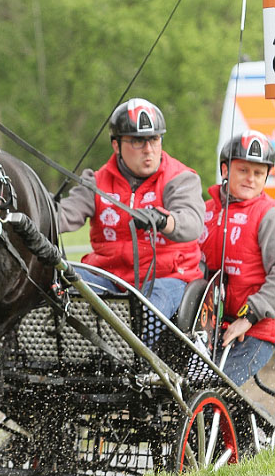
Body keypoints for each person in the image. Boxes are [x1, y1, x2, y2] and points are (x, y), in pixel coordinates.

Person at [57, 97, 205, 319]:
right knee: (58, 287)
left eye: (154, 139)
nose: (149, 150)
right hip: (108, 276)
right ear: (116, 144)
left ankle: (132, 353)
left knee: (145, 313)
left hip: (167, 277)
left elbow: (192, 223)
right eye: (138, 141)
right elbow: (64, 215)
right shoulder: (96, 182)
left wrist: (163, 220)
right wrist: (36, 206)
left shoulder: (180, 179)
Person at [199, 131, 275, 386]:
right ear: (224, 169)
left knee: (216, 388)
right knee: (185, 389)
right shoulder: (204, 211)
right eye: (243, 170)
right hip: (209, 329)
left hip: (257, 329)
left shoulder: (269, 216)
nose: (251, 179)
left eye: (258, 173)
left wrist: (249, 317)